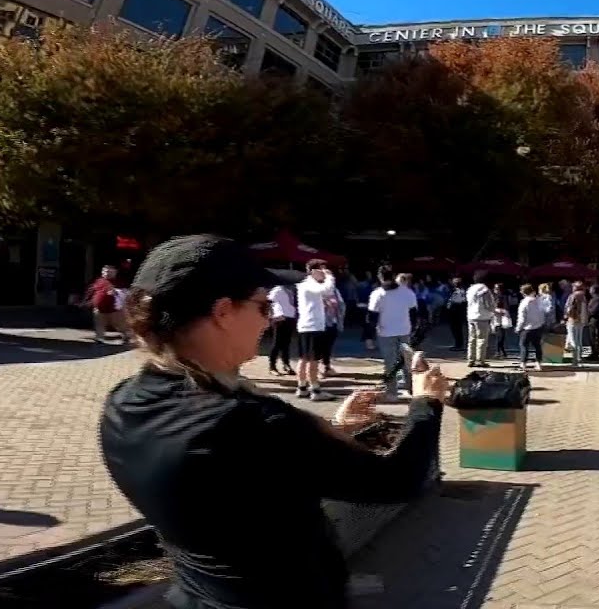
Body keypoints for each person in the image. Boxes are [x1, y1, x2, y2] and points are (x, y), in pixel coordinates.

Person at [98, 234, 449, 609]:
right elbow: (397, 481)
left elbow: (246, 477)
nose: (271, 320)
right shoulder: (253, 425)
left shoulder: (124, 403)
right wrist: (426, 403)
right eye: (263, 307)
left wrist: (331, 431)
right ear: (223, 312)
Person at [365, 267, 417, 398]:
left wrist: (369, 336)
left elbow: (372, 317)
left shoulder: (377, 294)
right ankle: (412, 389)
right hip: (404, 331)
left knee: (390, 363)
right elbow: (414, 313)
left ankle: (392, 392)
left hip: (386, 332)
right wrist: (414, 328)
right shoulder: (407, 292)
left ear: (379, 278)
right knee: (406, 361)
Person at [295, 259, 338, 401]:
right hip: (312, 326)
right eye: (322, 270)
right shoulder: (309, 284)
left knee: (304, 359)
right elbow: (327, 290)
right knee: (313, 360)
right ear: (313, 271)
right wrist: (330, 277)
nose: (324, 274)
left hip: (306, 325)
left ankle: (302, 388)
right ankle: (315, 390)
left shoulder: (306, 285)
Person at [266, 281, 297, 376]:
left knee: (286, 343)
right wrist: (272, 315)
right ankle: (272, 366)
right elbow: (268, 302)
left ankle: (286, 364)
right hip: (280, 318)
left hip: (290, 317)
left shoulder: (291, 290)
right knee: (277, 343)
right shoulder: (277, 289)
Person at [466, 270, 496, 367]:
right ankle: (480, 360)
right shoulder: (485, 290)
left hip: (471, 316)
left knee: (472, 339)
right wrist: (493, 310)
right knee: (482, 339)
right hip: (482, 316)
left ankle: (471, 359)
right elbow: (488, 305)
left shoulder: (470, 289)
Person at [515, 283, 546, 371]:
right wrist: (541, 323)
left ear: (523, 293)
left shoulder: (524, 302)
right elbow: (542, 313)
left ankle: (523, 364)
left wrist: (518, 328)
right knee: (537, 346)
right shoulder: (539, 300)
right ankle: (539, 364)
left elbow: (521, 318)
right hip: (538, 327)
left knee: (524, 346)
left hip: (527, 328)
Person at [563, 281, 587, 368]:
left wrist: (565, 317)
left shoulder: (572, 296)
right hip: (582, 321)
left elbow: (568, 308)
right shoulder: (584, 296)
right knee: (579, 341)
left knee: (573, 341)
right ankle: (580, 359)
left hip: (572, 320)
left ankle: (575, 361)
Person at [445, 277, 466, 351]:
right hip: (455, 310)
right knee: (455, 329)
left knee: (457, 329)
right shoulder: (456, 291)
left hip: (456, 310)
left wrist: (451, 304)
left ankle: (459, 345)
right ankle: (458, 344)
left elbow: (460, 301)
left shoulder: (459, 291)